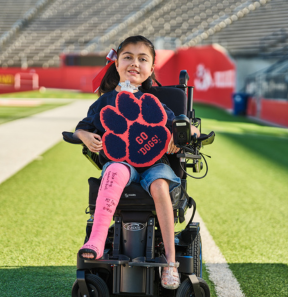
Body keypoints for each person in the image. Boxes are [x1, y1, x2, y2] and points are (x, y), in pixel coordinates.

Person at [73, 35, 199, 290]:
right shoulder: (105, 101)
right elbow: (81, 129)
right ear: (116, 64)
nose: (134, 63)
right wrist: (85, 136)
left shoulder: (155, 103)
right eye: (128, 57)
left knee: (160, 185)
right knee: (114, 171)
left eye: (143, 59)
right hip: (122, 163)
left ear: (151, 69)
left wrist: (181, 134)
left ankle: (170, 263)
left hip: (156, 164)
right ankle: (97, 240)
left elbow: (190, 129)